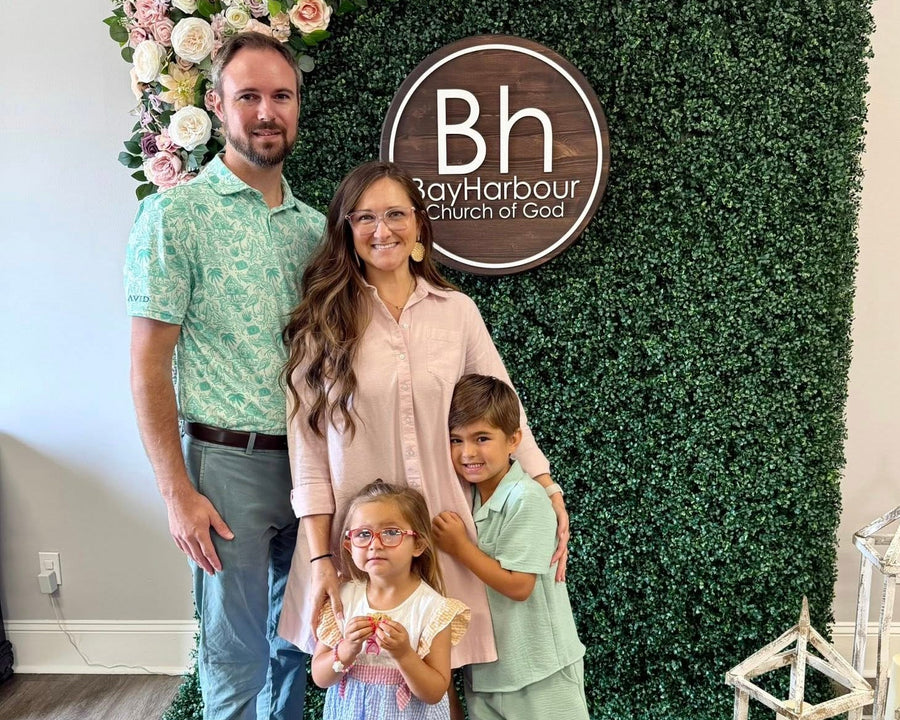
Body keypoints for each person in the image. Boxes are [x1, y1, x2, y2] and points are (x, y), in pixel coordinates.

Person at [278, 161, 569, 677]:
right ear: (347, 229)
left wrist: (547, 486)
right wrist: (321, 557)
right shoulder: (320, 323)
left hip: (442, 528)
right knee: (365, 676)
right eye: (365, 217)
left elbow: (506, 406)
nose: (382, 229)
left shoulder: (457, 312)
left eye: (395, 214)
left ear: (418, 223)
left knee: (440, 679)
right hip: (361, 541)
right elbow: (309, 457)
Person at [124, 32, 324, 720]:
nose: (267, 112)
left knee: (295, 647)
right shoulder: (174, 217)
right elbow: (147, 364)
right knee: (234, 660)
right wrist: (176, 492)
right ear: (215, 104)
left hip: (312, 465)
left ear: (297, 107)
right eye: (249, 97)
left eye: (281, 96)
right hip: (225, 468)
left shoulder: (316, 231)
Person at [432, 374, 588, 720]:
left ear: (513, 440)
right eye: (456, 440)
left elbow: (520, 586)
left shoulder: (526, 498)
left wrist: (460, 548)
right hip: (488, 673)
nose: (467, 452)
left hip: (541, 670)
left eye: (482, 438)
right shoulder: (465, 497)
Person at [312, 481, 470, 719]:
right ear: (349, 545)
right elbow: (320, 677)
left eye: (391, 533)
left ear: (418, 544)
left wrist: (404, 654)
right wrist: (347, 649)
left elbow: (435, 692)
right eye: (363, 534)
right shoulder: (342, 600)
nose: (375, 544)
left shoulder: (434, 609)